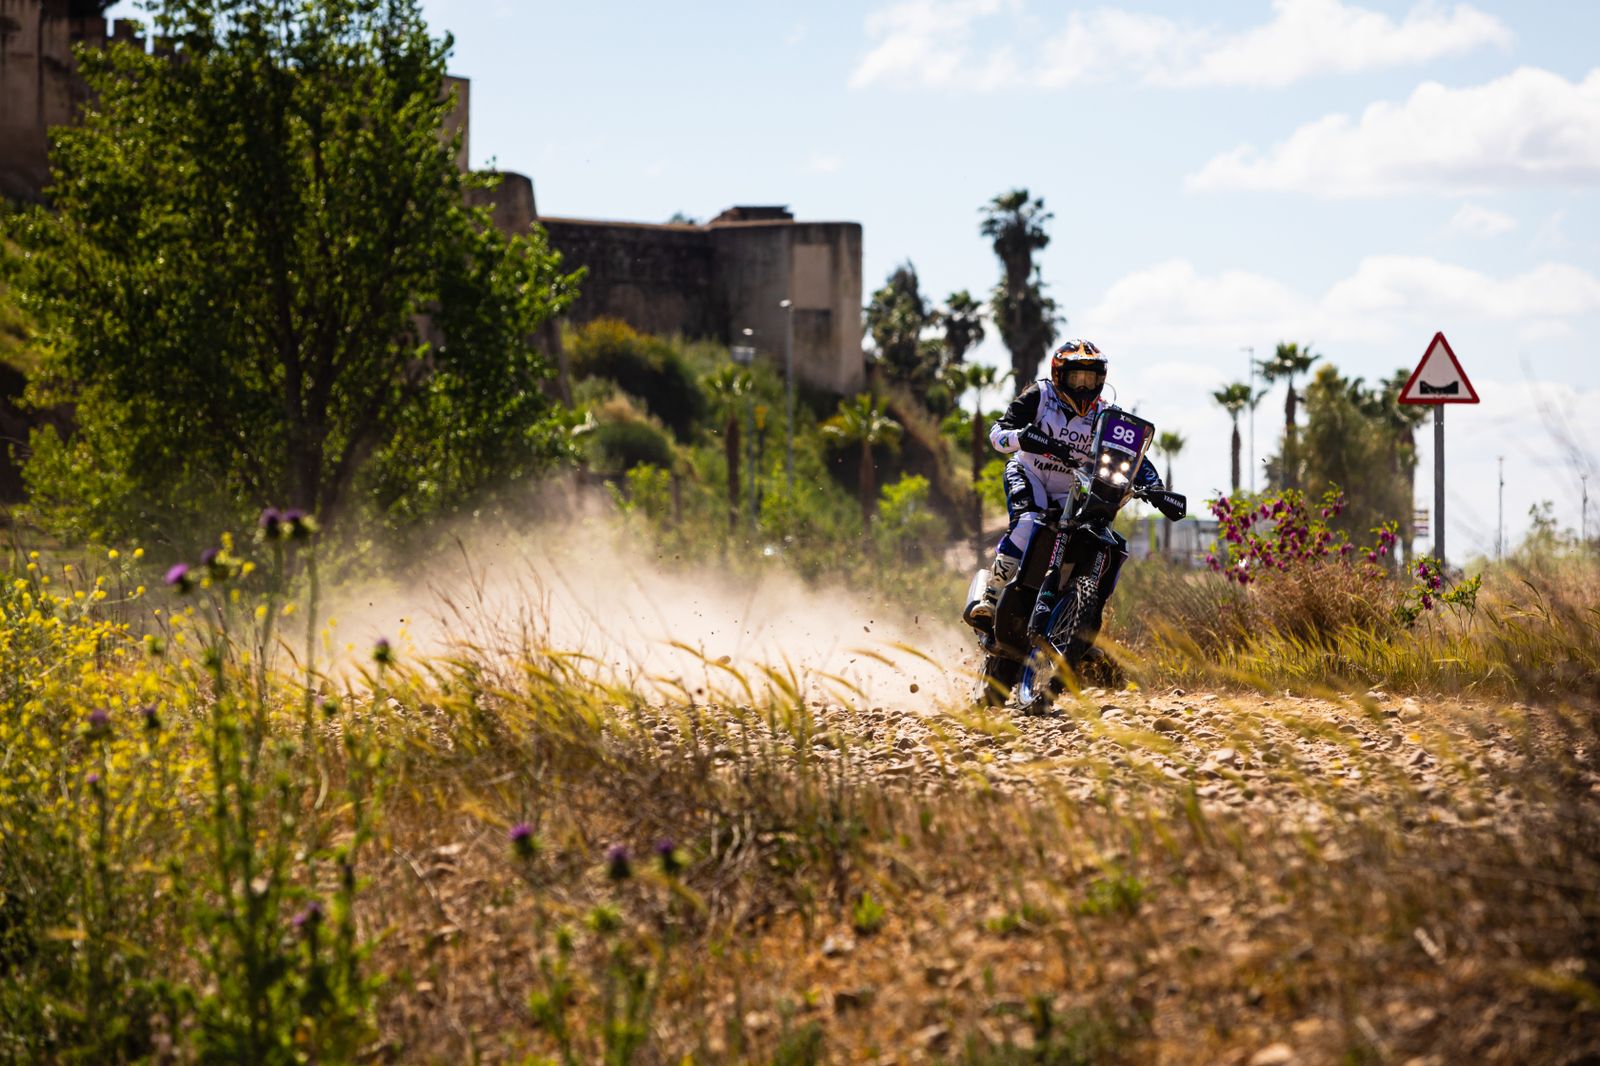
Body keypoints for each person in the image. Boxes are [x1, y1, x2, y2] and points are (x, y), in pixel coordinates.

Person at [965, 339, 1162, 628]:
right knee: (1029, 520)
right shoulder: (1040, 395)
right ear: (1059, 375)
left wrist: (1154, 484)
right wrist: (1023, 436)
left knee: (1109, 544)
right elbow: (999, 432)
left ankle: (1083, 620)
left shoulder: (1108, 413)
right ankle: (991, 594)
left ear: (1101, 379)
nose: (1083, 386)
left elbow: (1133, 456)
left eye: (1090, 378)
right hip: (1029, 472)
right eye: (1076, 377)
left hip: (1071, 489)